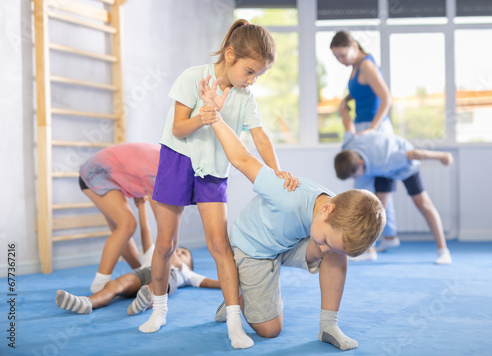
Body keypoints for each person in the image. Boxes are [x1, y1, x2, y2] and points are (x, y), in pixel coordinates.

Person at [140, 19, 299, 350]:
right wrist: (206, 115)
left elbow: (260, 137)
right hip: (177, 159)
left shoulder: (245, 97)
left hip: (213, 169)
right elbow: (179, 128)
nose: (252, 80)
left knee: (219, 245)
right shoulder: (192, 77)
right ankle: (158, 309)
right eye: (250, 71)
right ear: (230, 55)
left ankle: (233, 322)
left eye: (258, 74)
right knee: (166, 243)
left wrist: (277, 171)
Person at [198, 81, 386, 351]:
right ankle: (240, 294)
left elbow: (328, 242)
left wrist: (329, 247)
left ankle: (328, 326)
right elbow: (242, 158)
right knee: (270, 331)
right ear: (326, 209)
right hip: (255, 250)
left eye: (324, 243)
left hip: (287, 244)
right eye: (323, 240)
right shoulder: (286, 192)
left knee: (336, 252)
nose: (320, 248)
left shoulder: (336, 213)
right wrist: (214, 117)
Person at [334, 111, 453, 265]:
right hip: (384, 171)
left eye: (355, 174)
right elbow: (347, 123)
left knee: (423, 205)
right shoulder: (348, 145)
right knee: (376, 210)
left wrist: (442, 156)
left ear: (361, 162)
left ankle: (443, 251)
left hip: (406, 166)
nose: (355, 178)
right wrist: (344, 109)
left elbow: (415, 153)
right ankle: (369, 251)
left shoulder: (387, 160)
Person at [330, 30, 397, 259]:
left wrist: (374, 128)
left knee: (365, 186)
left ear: (355, 46)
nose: (341, 60)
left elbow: (387, 98)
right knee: (375, 184)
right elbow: (361, 92)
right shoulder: (355, 68)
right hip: (363, 127)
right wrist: (345, 100)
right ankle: (389, 237)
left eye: (342, 55)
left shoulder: (366, 65)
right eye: (336, 57)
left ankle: (368, 245)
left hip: (373, 128)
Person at [79, 142, 160, 293]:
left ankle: (138, 272)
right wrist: (172, 253)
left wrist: (141, 271)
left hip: (102, 171)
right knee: (127, 224)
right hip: (97, 172)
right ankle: (100, 282)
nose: (182, 253)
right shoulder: (158, 173)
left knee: (122, 228)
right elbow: (164, 227)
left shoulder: (164, 161)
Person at [55, 246, 220, 315]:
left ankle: (143, 302)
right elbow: (146, 231)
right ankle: (87, 303)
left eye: (183, 253)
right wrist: (141, 206)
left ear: (189, 266)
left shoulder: (186, 273)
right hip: (143, 272)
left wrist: (234, 281)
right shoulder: (158, 254)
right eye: (177, 249)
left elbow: (209, 282)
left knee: (154, 288)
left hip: (166, 276)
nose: (177, 251)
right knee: (115, 284)